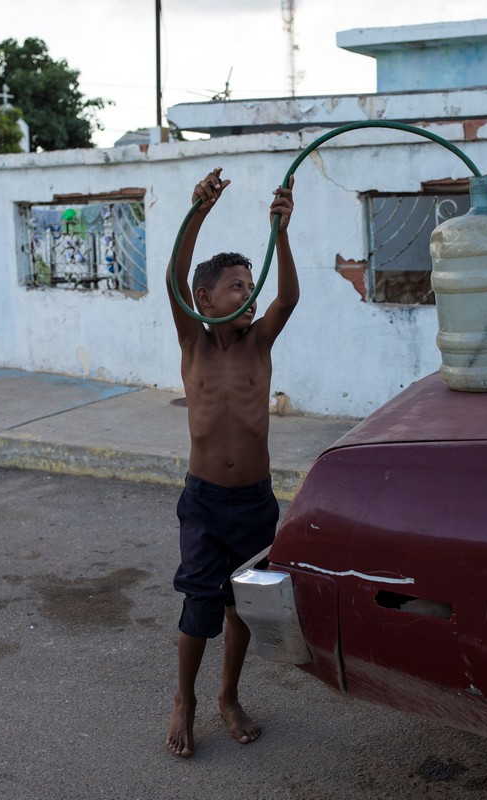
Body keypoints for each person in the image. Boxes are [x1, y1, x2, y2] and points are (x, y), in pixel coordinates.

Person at [164, 167, 298, 758]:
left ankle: (228, 694)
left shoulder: (259, 342)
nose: (248, 293)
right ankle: (184, 700)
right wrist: (198, 212)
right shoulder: (192, 341)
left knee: (242, 603)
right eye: (236, 286)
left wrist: (282, 230)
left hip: (252, 500)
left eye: (250, 284)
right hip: (203, 500)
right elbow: (173, 275)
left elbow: (288, 296)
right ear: (204, 300)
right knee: (200, 608)